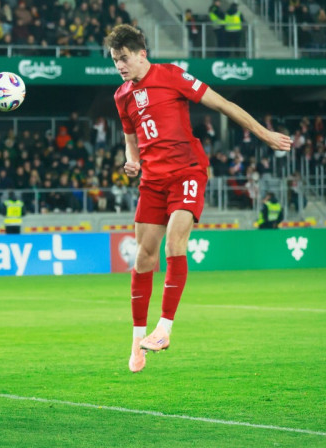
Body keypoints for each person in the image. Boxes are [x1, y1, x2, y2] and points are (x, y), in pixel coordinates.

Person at [103, 24, 291, 373]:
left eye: (124, 58)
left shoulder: (172, 76)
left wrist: (263, 134)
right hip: (152, 180)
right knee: (143, 256)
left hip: (187, 171)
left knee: (175, 242)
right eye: (115, 60)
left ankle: (164, 328)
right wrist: (132, 161)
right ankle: (137, 340)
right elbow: (131, 138)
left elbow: (223, 104)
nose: (120, 66)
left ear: (142, 54)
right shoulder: (122, 96)